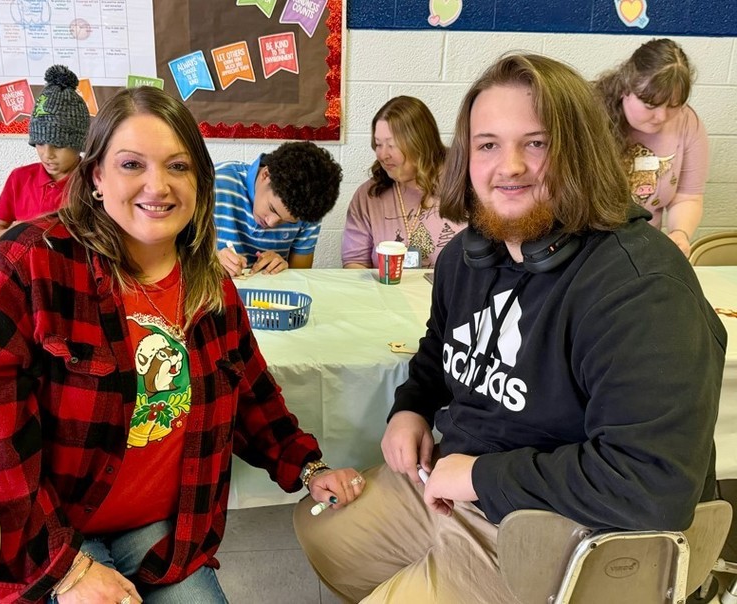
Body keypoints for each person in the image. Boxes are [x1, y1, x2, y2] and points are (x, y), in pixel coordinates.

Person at [293, 53, 726, 603]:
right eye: (488, 144)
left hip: (565, 527)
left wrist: (479, 477)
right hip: (457, 485)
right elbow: (437, 353)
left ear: (581, 151)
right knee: (321, 530)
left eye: (537, 143)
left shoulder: (642, 285)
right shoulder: (467, 256)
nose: (510, 166)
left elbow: (649, 484)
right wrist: (411, 408)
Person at [0, 86, 364, 604]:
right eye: (131, 164)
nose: (157, 185)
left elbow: (253, 393)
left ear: (199, 181)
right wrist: (68, 568)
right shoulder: (25, 265)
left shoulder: (210, 284)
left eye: (178, 166)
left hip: (163, 532)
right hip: (50, 536)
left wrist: (309, 466)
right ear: (96, 176)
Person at [595, 38, 708, 258]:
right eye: (650, 106)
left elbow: (688, 197)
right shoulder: (592, 115)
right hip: (592, 247)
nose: (662, 117)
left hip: (643, 248)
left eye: (674, 106)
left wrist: (680, 234)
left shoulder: (688, 123)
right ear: (625, 89)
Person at [342, 96, 462, 269]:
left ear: (420, 142)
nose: (383, 155)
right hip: (387, 295)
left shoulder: (464, 183)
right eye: (378, 144)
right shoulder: (369, 195)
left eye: (392, 145)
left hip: (453, 295)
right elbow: (354, 263)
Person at [0, 64, 90, 243]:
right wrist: (20, 233)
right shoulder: (19, 178)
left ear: (77, 144)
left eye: (58, 145)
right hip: (26, 266)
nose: (47, 154)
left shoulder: (94, 181)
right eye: (40, 143)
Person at [214, 141, 342, 276]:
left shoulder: (309, 208)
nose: (271, 223)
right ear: (266, 175)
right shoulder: (214, 183)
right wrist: (211, 259)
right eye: (272, 208)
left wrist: (284, 267)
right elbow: (188, 255)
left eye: (286, 221)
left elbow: (299, 277)